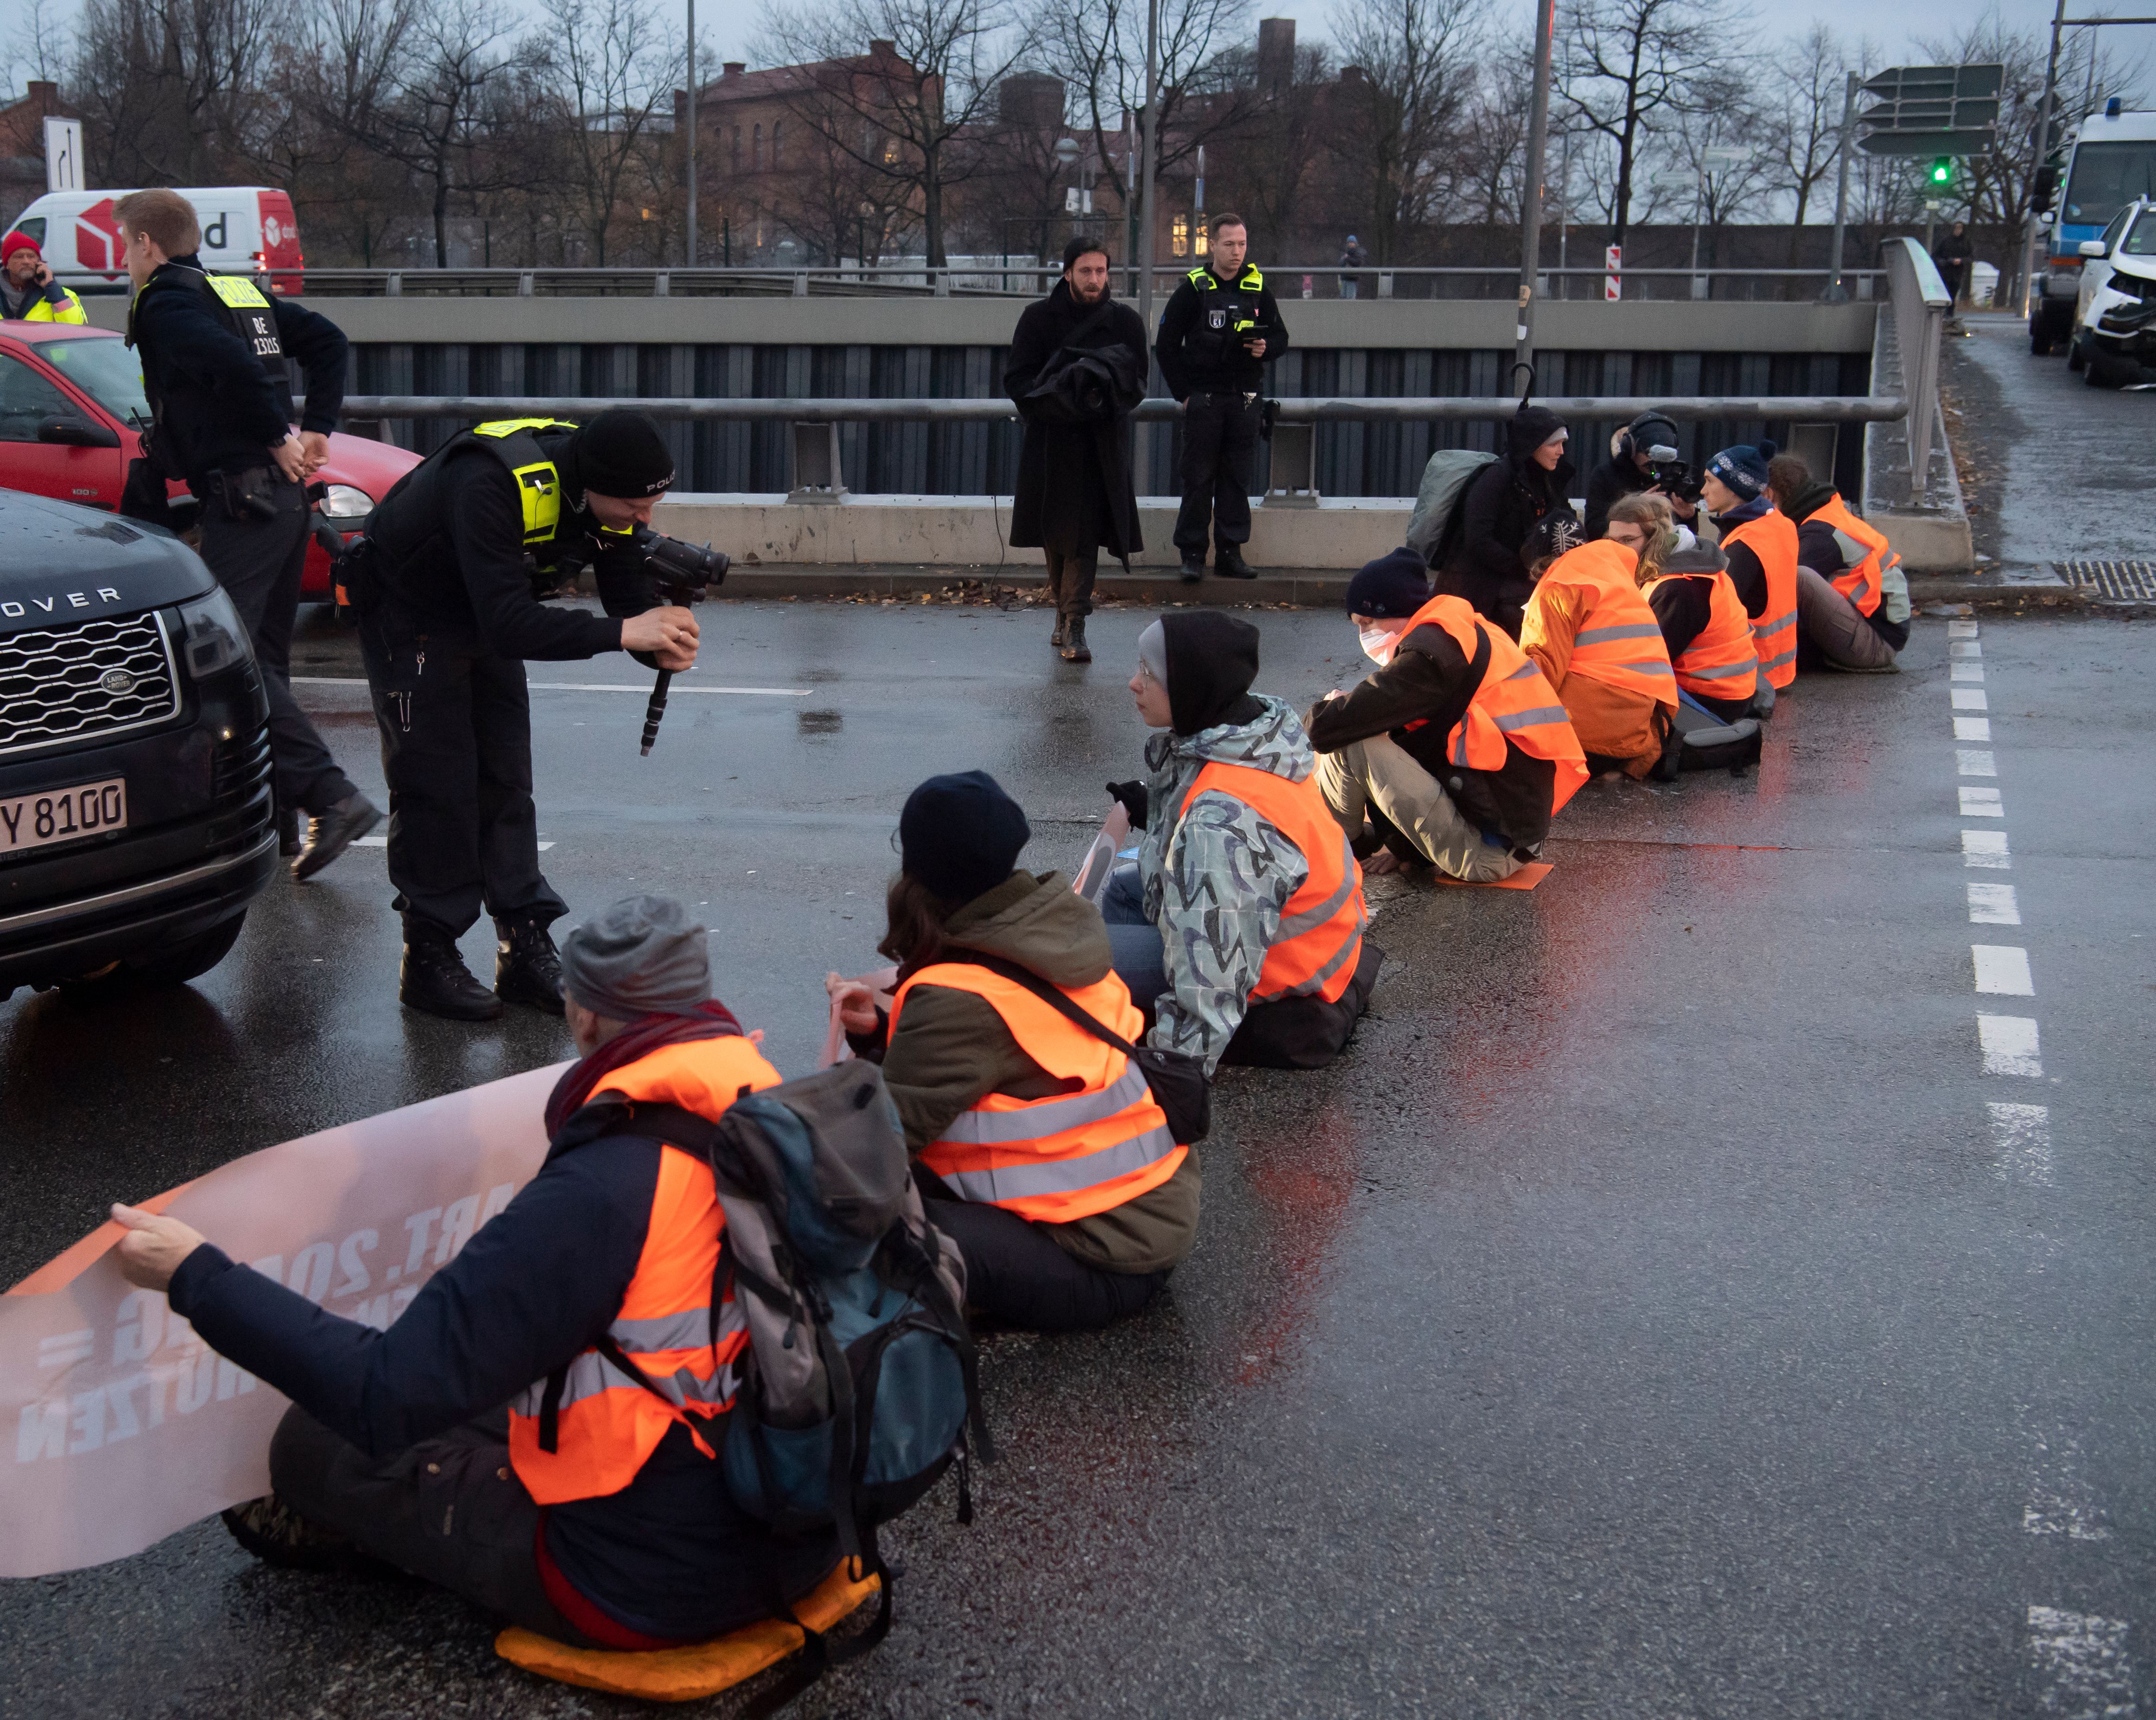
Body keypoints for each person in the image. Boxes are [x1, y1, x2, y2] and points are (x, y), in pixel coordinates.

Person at [107, 895, 841, 1649]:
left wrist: (195, 1273)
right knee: (486, 1388)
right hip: (805, 1528)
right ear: (698, 1002)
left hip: (645, 1584)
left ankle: (422, 1551)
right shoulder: (768, 1104)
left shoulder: (605, 1186)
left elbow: (382, 1394)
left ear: (583, 1017)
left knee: (309, 1443)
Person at [357, 409, 701, 1020]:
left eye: (653, 504)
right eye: (633, 505)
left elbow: (625, 603)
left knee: (507, 778)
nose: (645, 520)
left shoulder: (606, 497)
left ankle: (523, 948)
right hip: (411, 609)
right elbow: (512, 625)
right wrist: (628, 632)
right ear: (595, 485)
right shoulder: (488, 483)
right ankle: (428, 956)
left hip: (486, 609)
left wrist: (662, 646)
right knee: (436, 784)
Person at [837, 771, 1197, 1333]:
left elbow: (874, 1146)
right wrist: (876, 1037)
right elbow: (997, 1067)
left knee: (847, 1220)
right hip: (1146, 1219)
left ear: (919, 871)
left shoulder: (960, 998)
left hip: (1098, 1257)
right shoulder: (1048, 932)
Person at [115, 188, 378, 878]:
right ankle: (281, 821)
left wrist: (277, 434)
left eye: (126, 246)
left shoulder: (169, 304)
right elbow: (327, 340)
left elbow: (232, 371)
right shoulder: (236, 289)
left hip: (244, 500)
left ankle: (331, 794)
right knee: (266, 659)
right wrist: (315, 426)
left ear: (147, 243)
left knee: (230, 660)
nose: (124, 262)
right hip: (282, 503)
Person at [1098, 612, 1378, 1072]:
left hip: (1276, 983)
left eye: (1148, 674)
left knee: (1078, 958)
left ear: (1191, 687)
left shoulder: (1219, 825)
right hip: (1313, 951)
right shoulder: (1253, 741)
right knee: (1125, 889)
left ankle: (1115, 1027)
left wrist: (1167, 1080)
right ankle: (1126, 1015)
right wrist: (1158, 811)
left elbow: (1212, 984)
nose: (1133, 683)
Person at [1308, 547, 1588, 884]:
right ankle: (1356, 842)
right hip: (1511, 835)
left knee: (1351, 737)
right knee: (1360, 726)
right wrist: (1405, 849)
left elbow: (1325, 729)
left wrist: (1332, 708)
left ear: (1401, 610)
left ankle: (1337, 847)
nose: (1365, 634)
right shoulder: (1462, 631)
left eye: (1368, 622)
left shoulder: (1428, 659)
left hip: (1485, 854)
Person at [1003, 236, 1148, 664]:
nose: (1095, 279)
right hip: (1050, 442)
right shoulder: (1038, 319)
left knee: (1083, 534)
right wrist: (1060, 396)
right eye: (1086, 271)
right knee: (1054, 533)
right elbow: (1017, 381)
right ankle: (1062, 613)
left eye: (1102, 271)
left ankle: (1075, 624)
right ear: (1067, 273)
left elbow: (1138, 382)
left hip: (1100, 443)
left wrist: (1101, 391)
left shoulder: (1125, 322)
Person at [1153, 213, 1290, 584]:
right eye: (1229, 244)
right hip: (1205, 400)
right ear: (1212, 245)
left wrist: (1266, 348)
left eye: (1242, 244)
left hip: (1245, 400)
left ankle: (1231, 554)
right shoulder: (1193, 290)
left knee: (1236, 480)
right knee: (1197, 479)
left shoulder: (1258, 288)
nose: (1236, 252)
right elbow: (1166, 347)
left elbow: (1281, 338)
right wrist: (1183, 395)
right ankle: (1193, 556)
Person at [1521, 504, 1678, 780]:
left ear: (1541, 565)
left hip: (1583, 740)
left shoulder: (1558, 587)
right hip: (1636, 738)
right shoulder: (1623, 589)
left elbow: (1542, 672)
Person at [1437, 403, 1575, 639]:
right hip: (1478, 588)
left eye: (1563, 444)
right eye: (1554, 444)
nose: (1561, 452)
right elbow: (1478, 540)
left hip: (1516, 578)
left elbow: (1566, 522)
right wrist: (1525, 570)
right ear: (1532, 446)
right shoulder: (1496, 479)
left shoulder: (1547, 481)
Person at [1765, 452, 1909, 673]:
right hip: (1874, 631)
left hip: (1876, 644)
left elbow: (1774, 591)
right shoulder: (1822, 514)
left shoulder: (1820, 534)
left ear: (1770, 495)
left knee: (1796, 578)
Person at [1699, 441, 1798, 694]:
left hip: (1749, 673)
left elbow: (1714, 615)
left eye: (1710, 481)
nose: (1702, 490)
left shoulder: (1745, 544)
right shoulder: (1779, 523)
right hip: (1779, 667)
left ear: (1734, 488)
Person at [1640, 537, 1762, 723]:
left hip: (1708, 700)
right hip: (1737, 691)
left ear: (1653, 540)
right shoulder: (1706, 568)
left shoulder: (1677, 589)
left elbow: (1646, 665)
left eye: (1627, 539)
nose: (1616, 546)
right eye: (1611, 539)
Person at [1580, 410, 1699, 543]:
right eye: (1650, 457)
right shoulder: (1606, 475)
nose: (1656, 466)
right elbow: (1593, 530)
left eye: (1663, 460)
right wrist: (1634, 509)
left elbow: (1689, 540)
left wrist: (1689, 517)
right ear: (1631, 449)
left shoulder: (1673, 476)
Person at [0, 230, 87, 323]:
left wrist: (52, 289)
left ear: (39, 262)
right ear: (7, 264)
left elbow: (75, 325)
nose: (26, 261)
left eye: (31, 256)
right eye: (19, 257)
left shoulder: (63, 295)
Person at [1932, 219, 1974, 320]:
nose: (1958, 230)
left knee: (1954, 292)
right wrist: (1944, 262)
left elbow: (1971, 257)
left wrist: (1961, 261)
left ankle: (1950, 314)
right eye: (1956, 228)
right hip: (1946, 270)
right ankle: (1944, 314)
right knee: (1946, 292)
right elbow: (1936, 255)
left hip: (1958, 272)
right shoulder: (1946, 241)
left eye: (1960, 228)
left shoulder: (1966, 242)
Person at [1338, 234, 1367, 299]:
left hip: (1352, 278)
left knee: (1350, 298)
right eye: (1349, 243)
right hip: (1344, 278)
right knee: (1343, 297)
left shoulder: (1359, 252)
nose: (1350, 244)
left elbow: (1358, 263)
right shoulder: (1346, 252)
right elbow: (1340, 264)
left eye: (1352, 242)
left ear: (1355, 243)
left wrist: (1348, 258)